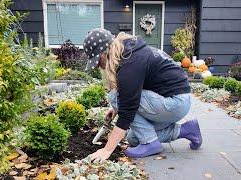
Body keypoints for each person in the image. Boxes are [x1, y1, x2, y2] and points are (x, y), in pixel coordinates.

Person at [83, 28, 202, 161]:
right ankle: (187, 130)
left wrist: (107, 150)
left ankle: (151, 143)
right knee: (133, 138)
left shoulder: (129, 63)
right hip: (175, 100)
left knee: (115, 97)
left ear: (105, 52)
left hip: (175, 102)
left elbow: (128, 110)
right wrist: (115, 109)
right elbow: (134, 89)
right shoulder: (129, 51)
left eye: (98, 61)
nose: (99, 66)